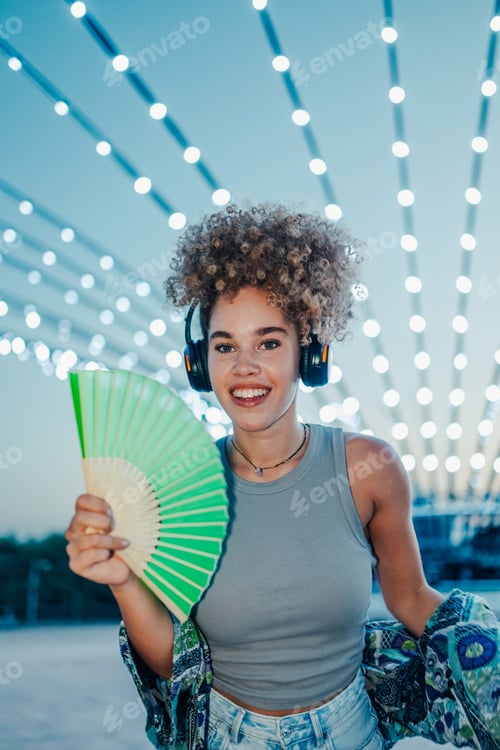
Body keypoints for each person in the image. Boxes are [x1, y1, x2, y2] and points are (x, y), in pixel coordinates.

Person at [65, 203, 446, 749]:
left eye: (268, 342)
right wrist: (122, 577)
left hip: (352, 733)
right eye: (225, 347)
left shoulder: (369, 470)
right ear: (201, 364)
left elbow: (411, 599)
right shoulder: (174, 489)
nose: (244, 367)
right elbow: (175, 664)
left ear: (308, 353)